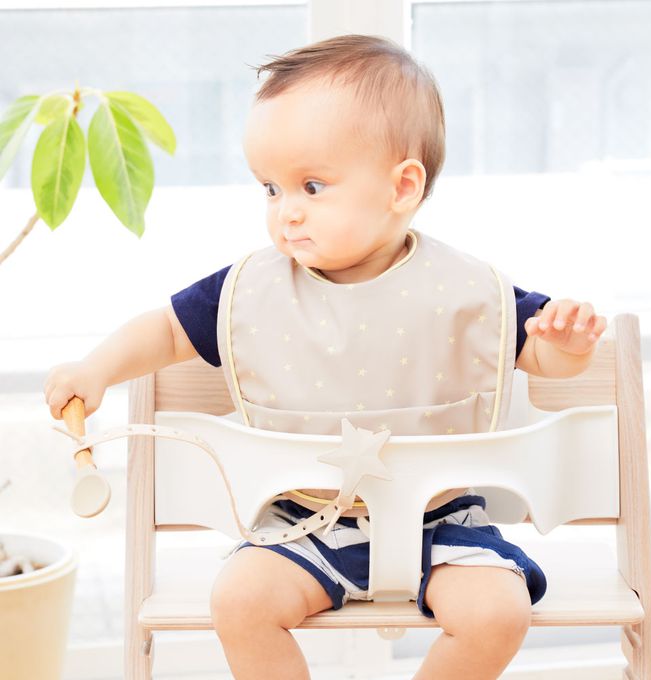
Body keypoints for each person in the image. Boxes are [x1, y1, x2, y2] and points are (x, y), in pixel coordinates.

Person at [44, 34, 607, 680]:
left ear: (402, 187)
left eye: (311, 186)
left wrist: (567, 347)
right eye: (270, 189)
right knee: (239, 600)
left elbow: (538, 354)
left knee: (498, 614)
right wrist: (96, 369)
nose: (286, 212)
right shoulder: (252, 290)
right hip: (305, 521)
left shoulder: (465, 289)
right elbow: (167, 332)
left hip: (443, 521)